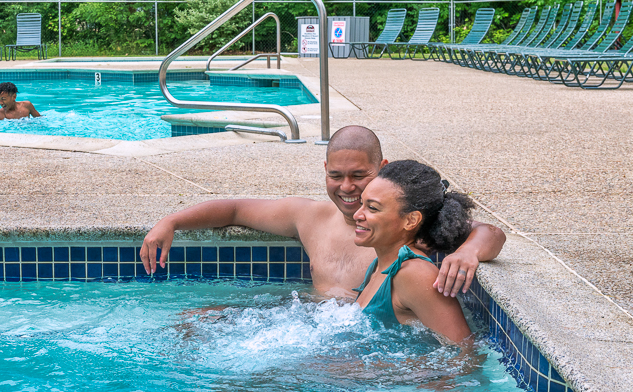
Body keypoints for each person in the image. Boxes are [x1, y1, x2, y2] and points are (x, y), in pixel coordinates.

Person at [140, 125, 505, 298]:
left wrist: (469, 251)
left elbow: (489, 232)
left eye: (360, 176)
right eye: (336, 175)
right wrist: (171, 221)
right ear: (325, 169)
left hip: (355, 347)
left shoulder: (402, 225)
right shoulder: (309, 217)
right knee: (193, 320)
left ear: (383, 168)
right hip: (313, 326)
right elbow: (235, 209)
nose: (347, 188)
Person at [352, 160, 474, 343]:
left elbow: (465, 355)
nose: (357, 215)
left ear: (410, 220)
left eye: (372, 208)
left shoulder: (415, 274)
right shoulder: (380, 264)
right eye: (362, 204)